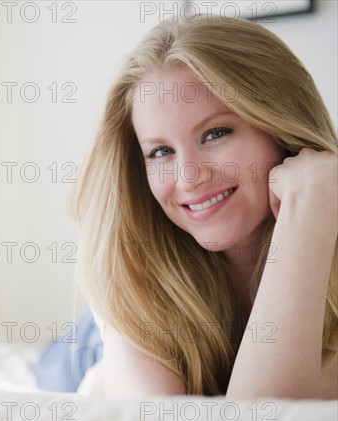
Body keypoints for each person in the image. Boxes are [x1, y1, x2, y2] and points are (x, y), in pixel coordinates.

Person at [68, 15, 337, 399]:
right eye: (160, 151)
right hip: (82, 346)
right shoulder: (123, 262)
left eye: (215, 133)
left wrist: (312, 210)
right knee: (91, 374)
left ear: (282, 129)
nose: (189, 176)